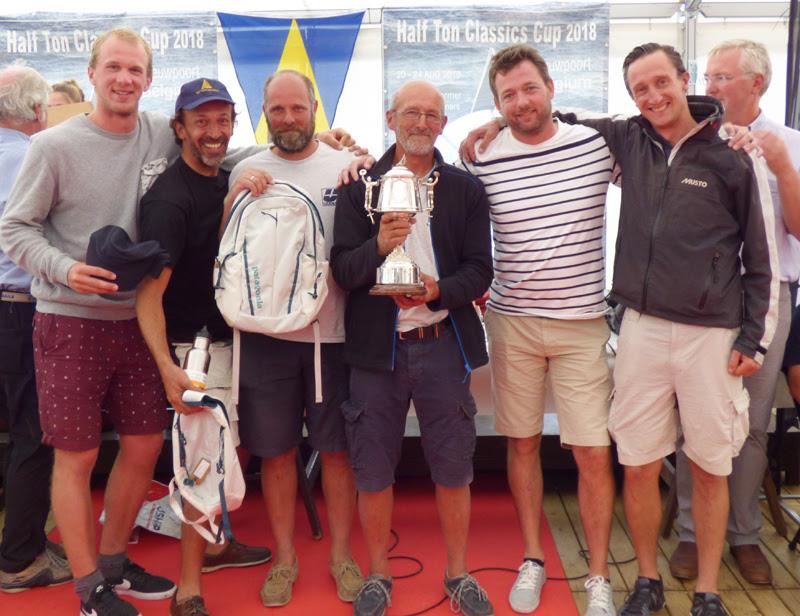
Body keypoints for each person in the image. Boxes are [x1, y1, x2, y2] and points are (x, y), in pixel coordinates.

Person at [0, 28, 181, 616]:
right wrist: (65, 269)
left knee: (144, 444)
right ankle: (88, 590)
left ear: (149, 80)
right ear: (94, 72)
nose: (125, 79)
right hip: (69, 322)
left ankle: (112, 562)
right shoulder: (52, 146)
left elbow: (217, 149)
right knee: (75, 456)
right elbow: (14, 228)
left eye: (136, 70)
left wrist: (324, 142)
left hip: (136, 322)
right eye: (114, 68)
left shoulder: (159, 132)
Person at [458, 44, 616, 616]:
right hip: (512, 323)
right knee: (521, 442)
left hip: (581, 323)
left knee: (592, 452)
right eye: (507, 96)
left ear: (550, 86)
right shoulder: (481, 156)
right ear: (496, 101)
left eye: (529, 89)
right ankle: (532, 557)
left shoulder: (598, 145)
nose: (521, 102)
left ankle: (598, 575)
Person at [331, 80, 493, 616]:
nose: (421, 123)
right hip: (378, 352)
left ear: (443, 125)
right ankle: (378, 574)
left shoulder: (465, 191)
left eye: (432, 115)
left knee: (454, 466)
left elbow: (480, 270)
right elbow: (345, 271)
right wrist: (380, 244)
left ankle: (458, 573)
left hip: (442, 343)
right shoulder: (359, 187)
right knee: (373, 467)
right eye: (411, 113)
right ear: (390, 118)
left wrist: (438, 290)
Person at [224, 69, 364, 609]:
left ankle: (342, 557)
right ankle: (284, 559)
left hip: (332, 336)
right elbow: (225, 255)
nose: (287, 119)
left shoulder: (347, 166)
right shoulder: (247, 168)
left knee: (337, 452)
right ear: (264, 112)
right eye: (276, 110)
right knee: (277, 453)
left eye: (297, 109)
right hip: (264, 338)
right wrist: (236, 197)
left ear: (315, 109)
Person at [135, 77, 273, 616]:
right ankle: (189, 588)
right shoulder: (168, 199)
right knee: (199, 463)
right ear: (179, 128)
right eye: (201, 122)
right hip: (193, 350)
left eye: (222, 121)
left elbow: (212, 254)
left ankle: (217, 544)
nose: (213, 133)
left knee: (224, 450)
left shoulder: (220, 179)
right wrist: (167, 365)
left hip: (225, 340)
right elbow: (149, 293)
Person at [669, 39, 800, 586]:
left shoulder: (790, 141)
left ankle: (744, 535)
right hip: (700, 301)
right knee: (690, 421)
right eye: (706, 76)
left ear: (757, 83)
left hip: (767, 299)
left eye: (722, 77)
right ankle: (690, 532)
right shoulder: (693, 139)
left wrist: (783, 168)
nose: (709, 87)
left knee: (750, 424)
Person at [0, 64, 72, 594]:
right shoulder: (30, 158)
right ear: (36, 111)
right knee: (35, 433)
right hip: (25, 307)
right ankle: (19, 558)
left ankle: (21, 544)